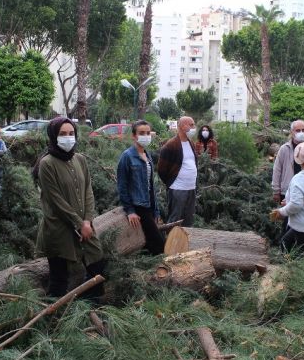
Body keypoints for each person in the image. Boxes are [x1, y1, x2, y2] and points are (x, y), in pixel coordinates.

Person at [36, 117, 105, 299]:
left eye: (71, 133)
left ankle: (91, 310)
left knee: (96, 263)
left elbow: (88, 190)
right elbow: (55, 200)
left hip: (85, 226)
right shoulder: (47, 164)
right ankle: (55, 319)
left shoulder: (80, 159)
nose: (68, 138)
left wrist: (88, 220)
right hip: (59, 229)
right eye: (62, 134)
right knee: (59, 280)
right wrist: (78, 223)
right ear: (53, 136)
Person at [116, 120, 165, 255]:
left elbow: (151, 186)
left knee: (149, 243)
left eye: (148, 133)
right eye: (141, 133)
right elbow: (122, 186)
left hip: (149, 205)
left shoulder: (147, 155)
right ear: (134, 136)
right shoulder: (127, 156)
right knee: (159, 245)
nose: (145, 136)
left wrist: (156, 211)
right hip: (138, 207)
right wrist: (130, 210)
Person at [157, 116, 197, 227]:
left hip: (191, 188)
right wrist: (171, 183)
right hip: (177, 189)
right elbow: (161, 170)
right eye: (192, 124)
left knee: (188, 219)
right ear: (183, 126)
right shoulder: (171, 145)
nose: (194, 127)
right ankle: (171, 242)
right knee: (175, 219)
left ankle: (185, 243)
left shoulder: (191, 143)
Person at [271, 119, 304, 232]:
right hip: (286, 191)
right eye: (298, 130)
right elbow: (277, 170)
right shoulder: (284, 149)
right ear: (292, 132)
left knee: (302, 220)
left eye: (303, 130)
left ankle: (298, 245)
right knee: (287, 221)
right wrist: (276, 190)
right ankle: (285, 246)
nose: (301, 132)